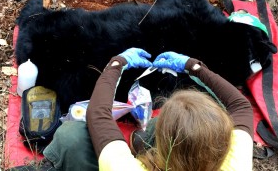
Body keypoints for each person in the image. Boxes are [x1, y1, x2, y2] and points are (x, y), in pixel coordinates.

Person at [42, 48, 253, 171]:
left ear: (168, 151)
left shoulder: (124, 168)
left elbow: (98, 115)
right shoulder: (236, 163)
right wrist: (194, 67)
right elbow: (241, 106)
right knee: (171, 127)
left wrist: (117, 65)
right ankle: (142, 140)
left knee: (73, 137)